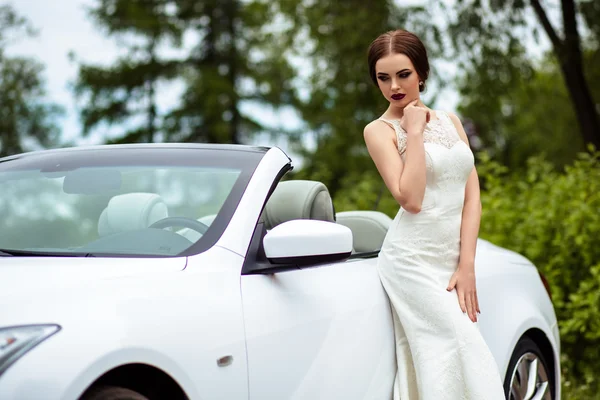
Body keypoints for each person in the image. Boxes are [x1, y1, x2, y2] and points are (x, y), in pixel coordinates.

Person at [363, 29, 506, 399]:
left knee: (446, 352)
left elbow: (471, 195)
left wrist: (467, 263)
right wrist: (411, 132)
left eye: (403, 74)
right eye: (383, 77)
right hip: (410, 261)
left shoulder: (450, 120)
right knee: (457, 345)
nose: (394, 86)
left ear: (421, 73)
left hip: (451, 259)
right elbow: (410, 199)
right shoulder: (378, 131)